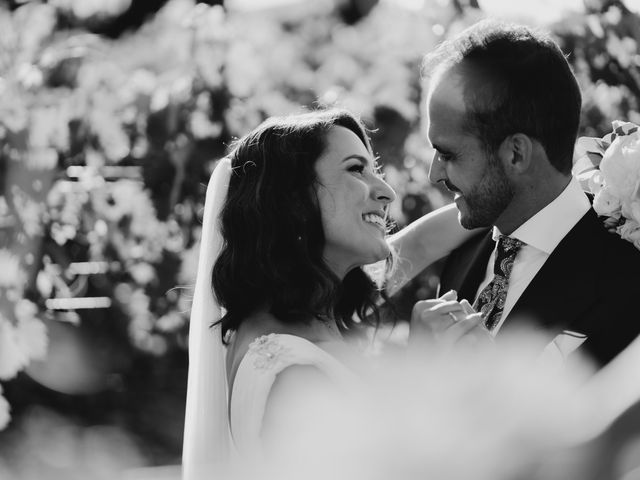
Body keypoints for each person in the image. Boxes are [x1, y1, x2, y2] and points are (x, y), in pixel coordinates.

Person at [181, 108, 478, 479]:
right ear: (292, 199)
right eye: (357, 169)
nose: (386, 192)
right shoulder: (295, 376)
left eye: (376, 171)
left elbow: (419, 244)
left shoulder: (296, 313)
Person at [404, 19, 640, 367]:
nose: (434, 174)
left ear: (516, 153)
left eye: (449, 154)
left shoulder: (628, 278)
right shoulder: (465, 250)